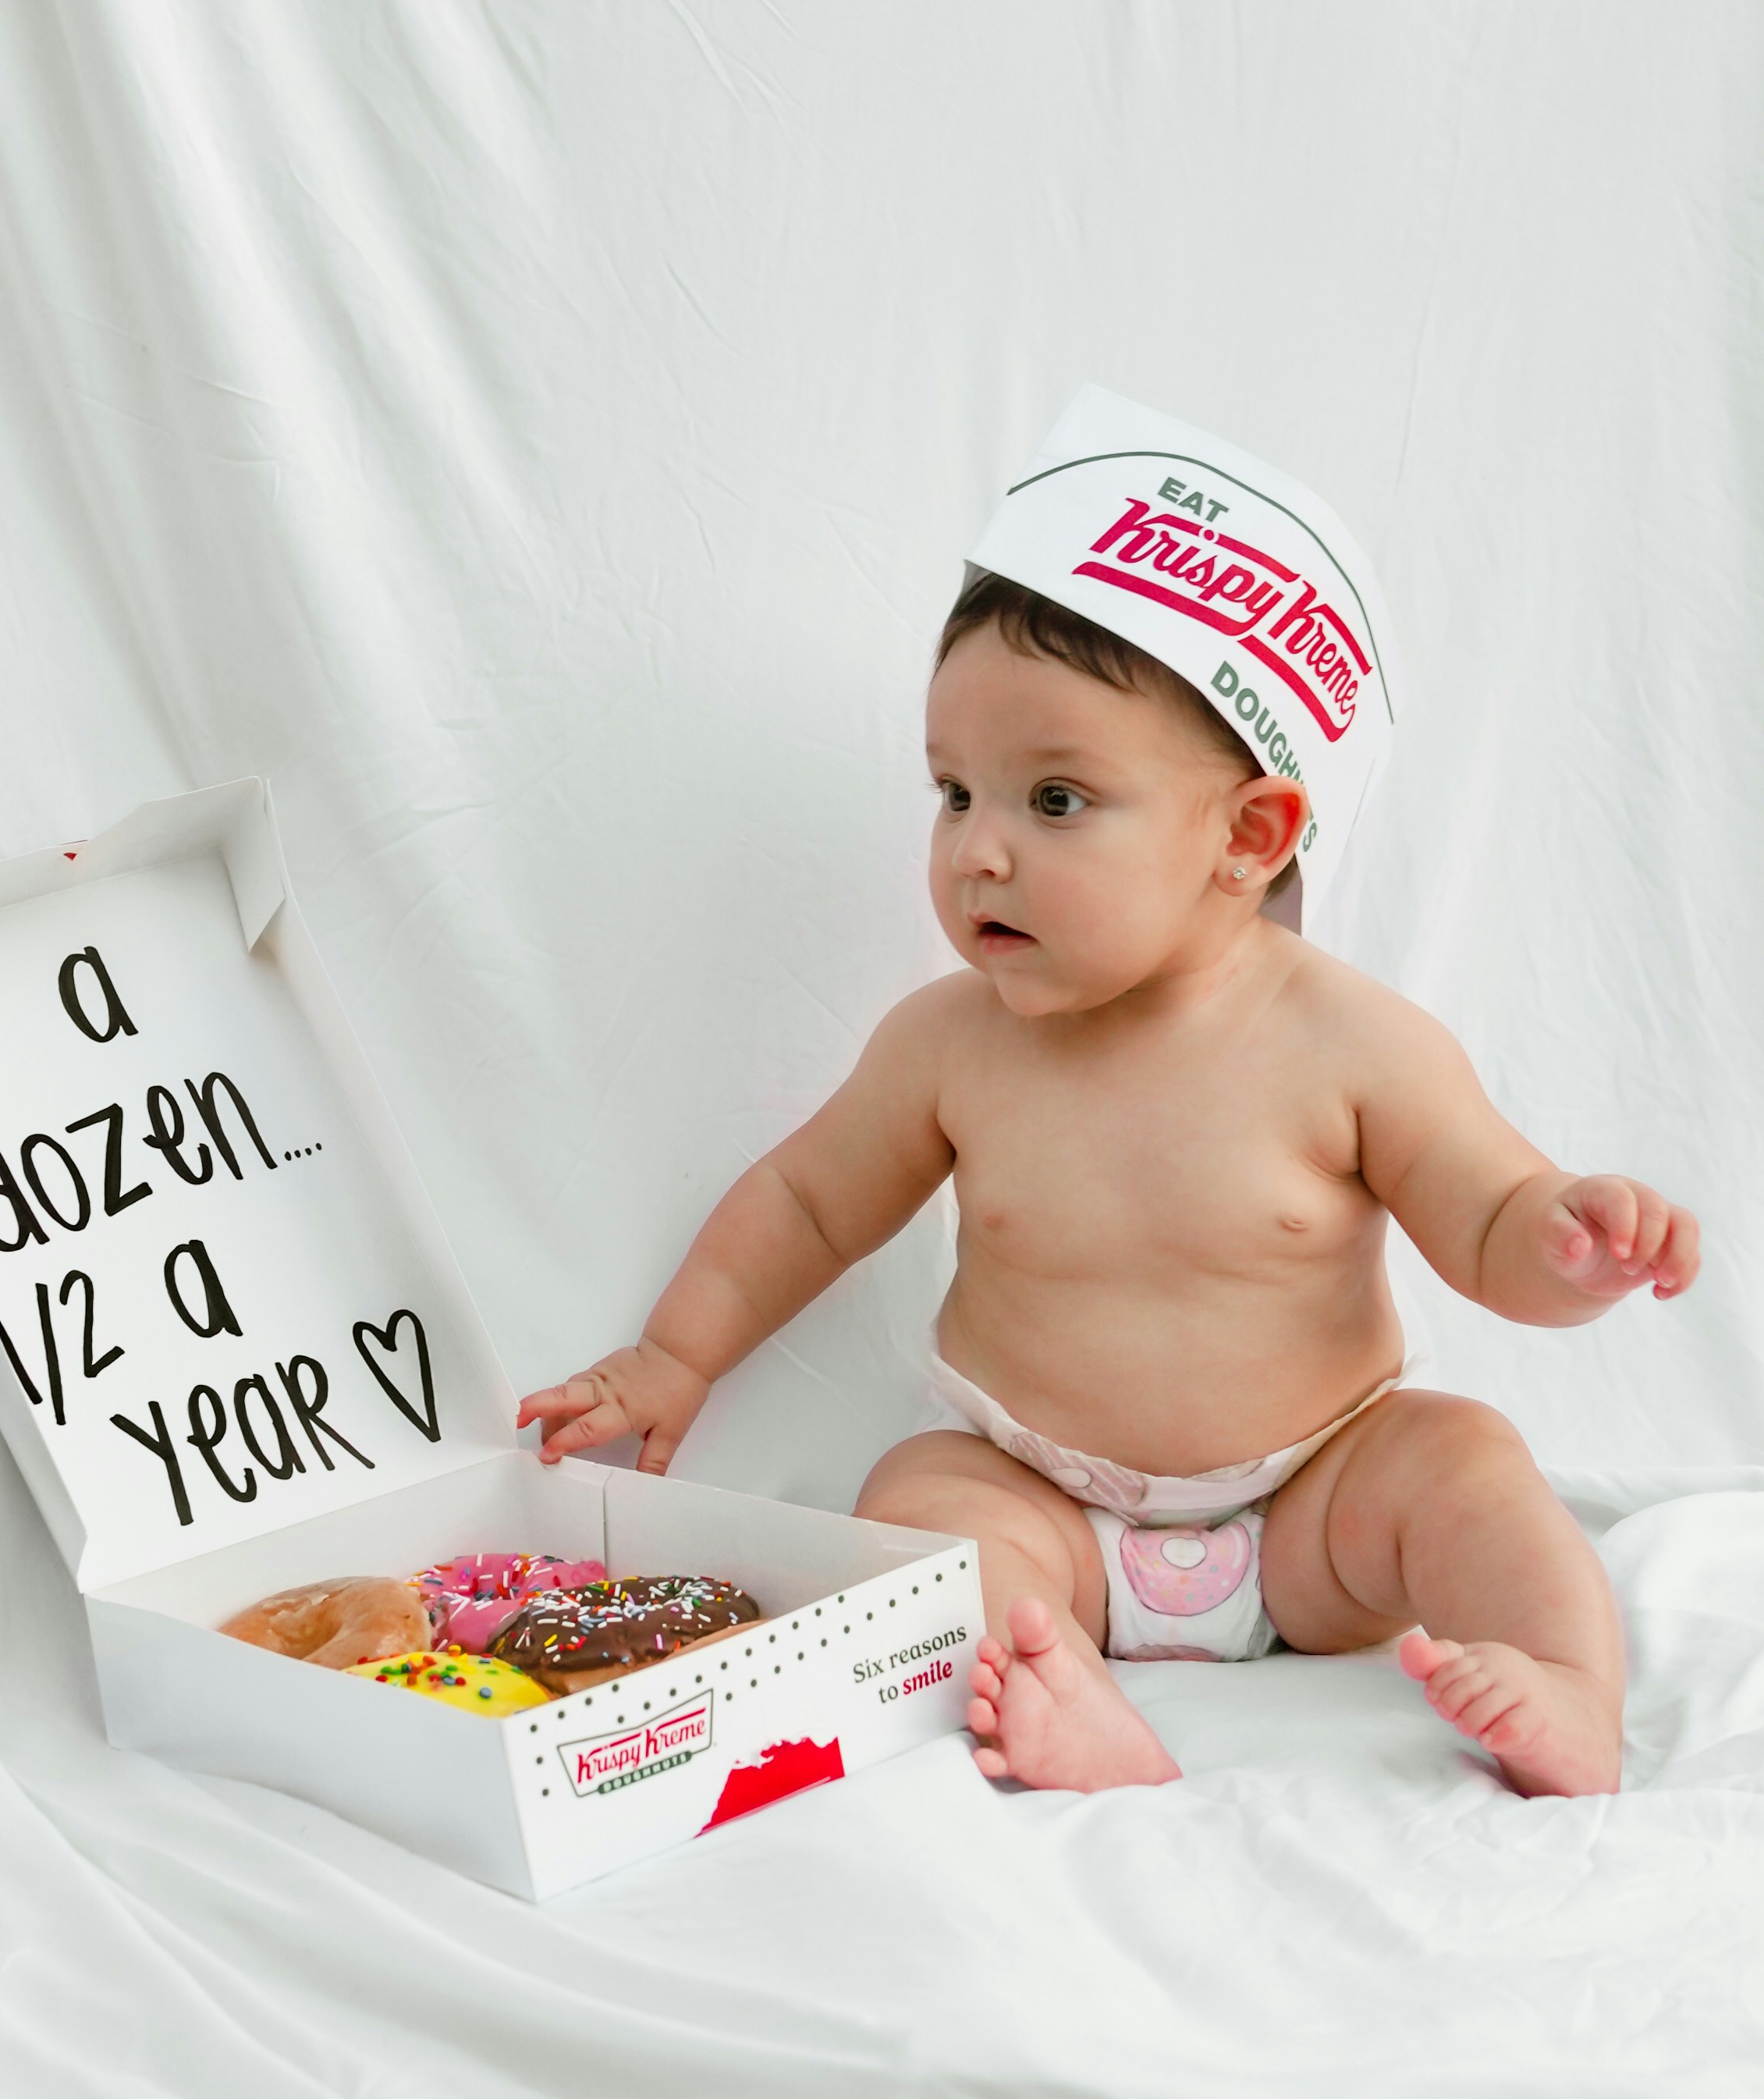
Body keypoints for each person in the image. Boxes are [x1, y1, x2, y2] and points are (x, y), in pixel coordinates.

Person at [519, 392, 1700, 1799]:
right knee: (914, 1512)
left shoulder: (1355, 1043)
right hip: (1042, 1496)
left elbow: (1491, 1219)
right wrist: (677, 1354)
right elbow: (809, 1198)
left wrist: (1570, 1242)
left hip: (1320, 1504)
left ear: (1249, 840)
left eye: (1056, 801)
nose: (980, 855)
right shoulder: (951, 1045)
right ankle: (1070, 1705)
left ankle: (1570, 1691)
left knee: (1471, 1463)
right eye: (955, 794)